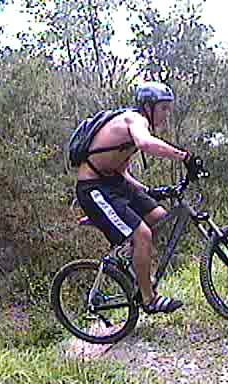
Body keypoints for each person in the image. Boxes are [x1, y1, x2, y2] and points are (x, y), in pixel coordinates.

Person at [75, 81, 199, 315]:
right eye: (163, 108)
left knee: (159, 216)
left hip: (113, 182)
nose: (166, 114)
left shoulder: (131, 128)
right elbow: (145, 143)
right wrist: (184, 157)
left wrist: (148, 191)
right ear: (148, 106)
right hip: (93, 188)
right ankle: (148, 299)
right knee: (142, 234)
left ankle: (131, 265)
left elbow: (121, 172)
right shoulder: (135, 120)